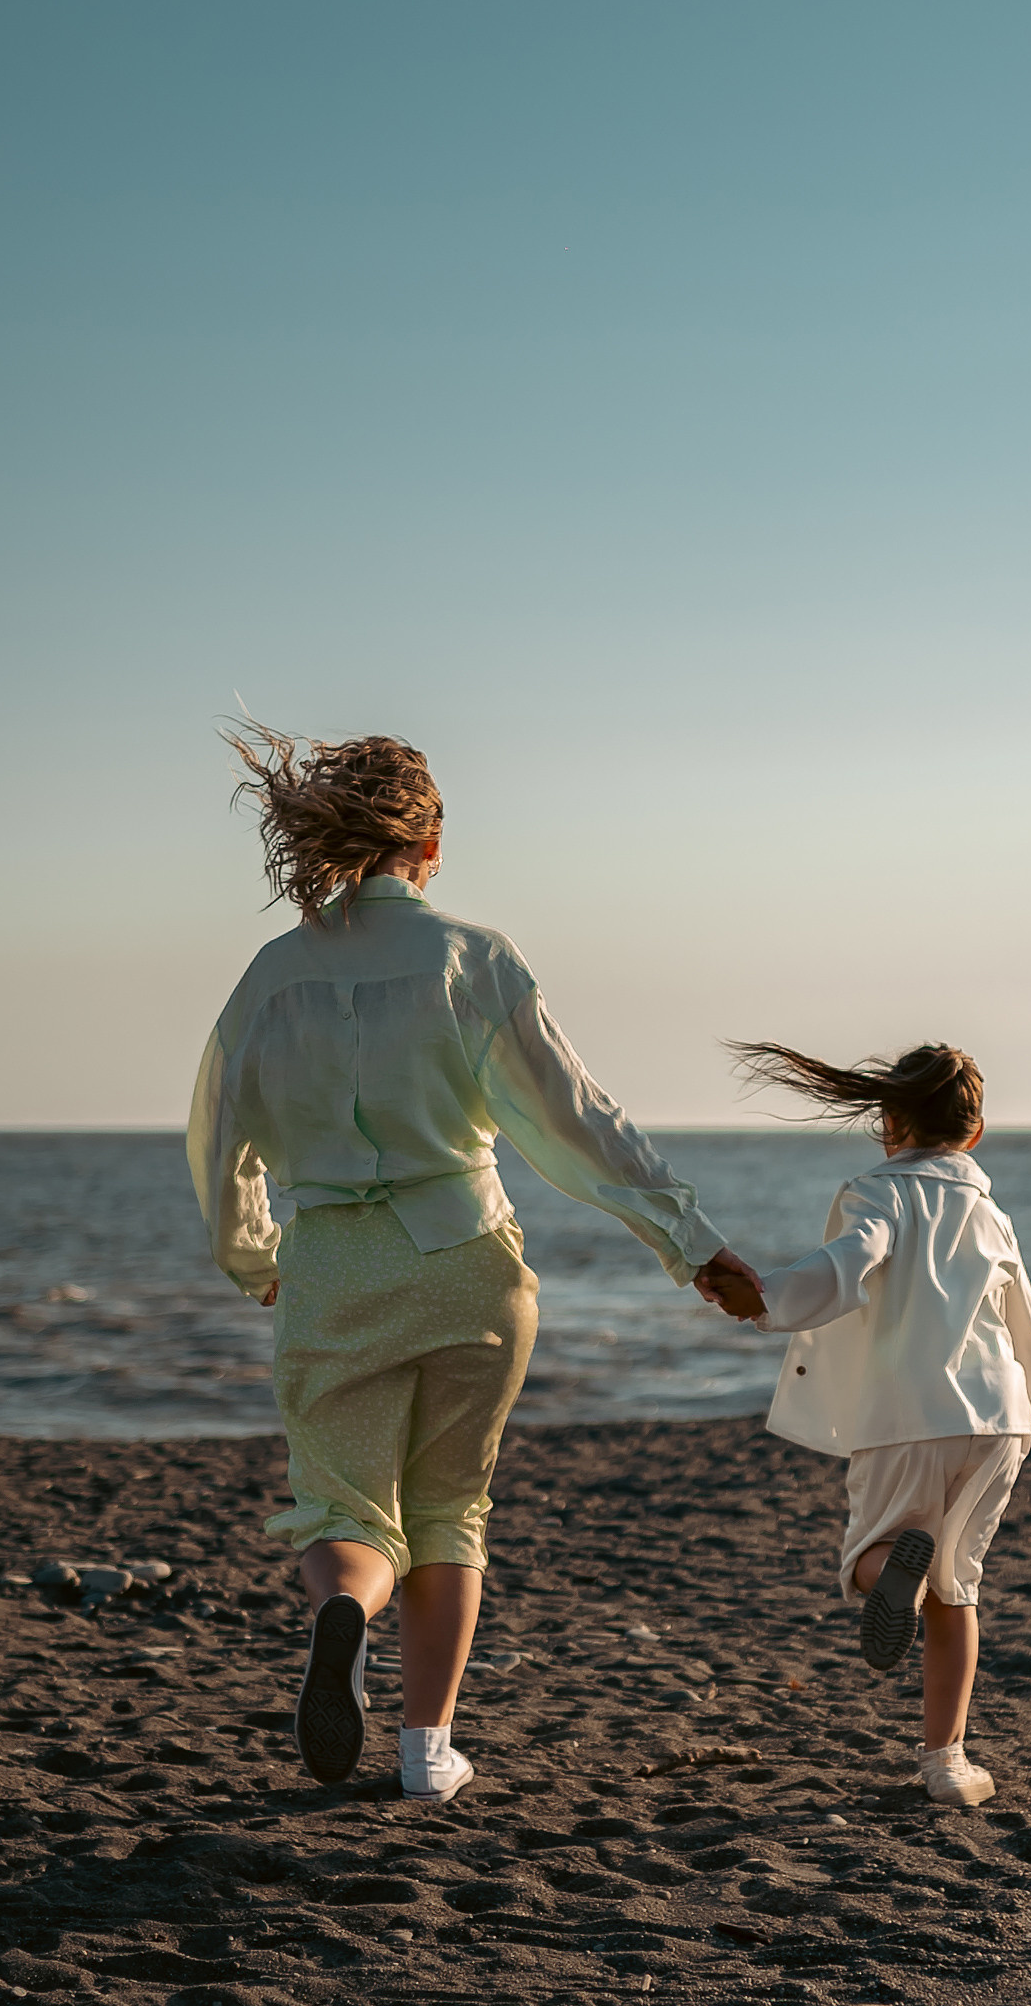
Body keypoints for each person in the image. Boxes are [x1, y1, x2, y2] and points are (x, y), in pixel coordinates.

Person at [187, 729, 762, 1803]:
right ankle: (424, 1752)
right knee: (452, 1505)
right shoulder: (474, 957)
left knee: (346, 1508)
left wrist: (250, 1254)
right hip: (466, 1261)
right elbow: (576, 1120)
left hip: (330, 1267)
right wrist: (689, 1243)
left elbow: (218, 1139)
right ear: (431, 841)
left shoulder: (268, 977)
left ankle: (345, 1612)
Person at [706, 1040, 1031, 1809]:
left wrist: (762, 1296)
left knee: (874, 1558)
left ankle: (892, 1568)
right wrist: (1013, 1405)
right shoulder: (991, 1213)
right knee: (958, 1586)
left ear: (887, 1123)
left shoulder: (879, 1194)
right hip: (998, 1421)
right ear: (976, 1132)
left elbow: (845, 1265)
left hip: (906, 1414)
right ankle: (948, 1764)